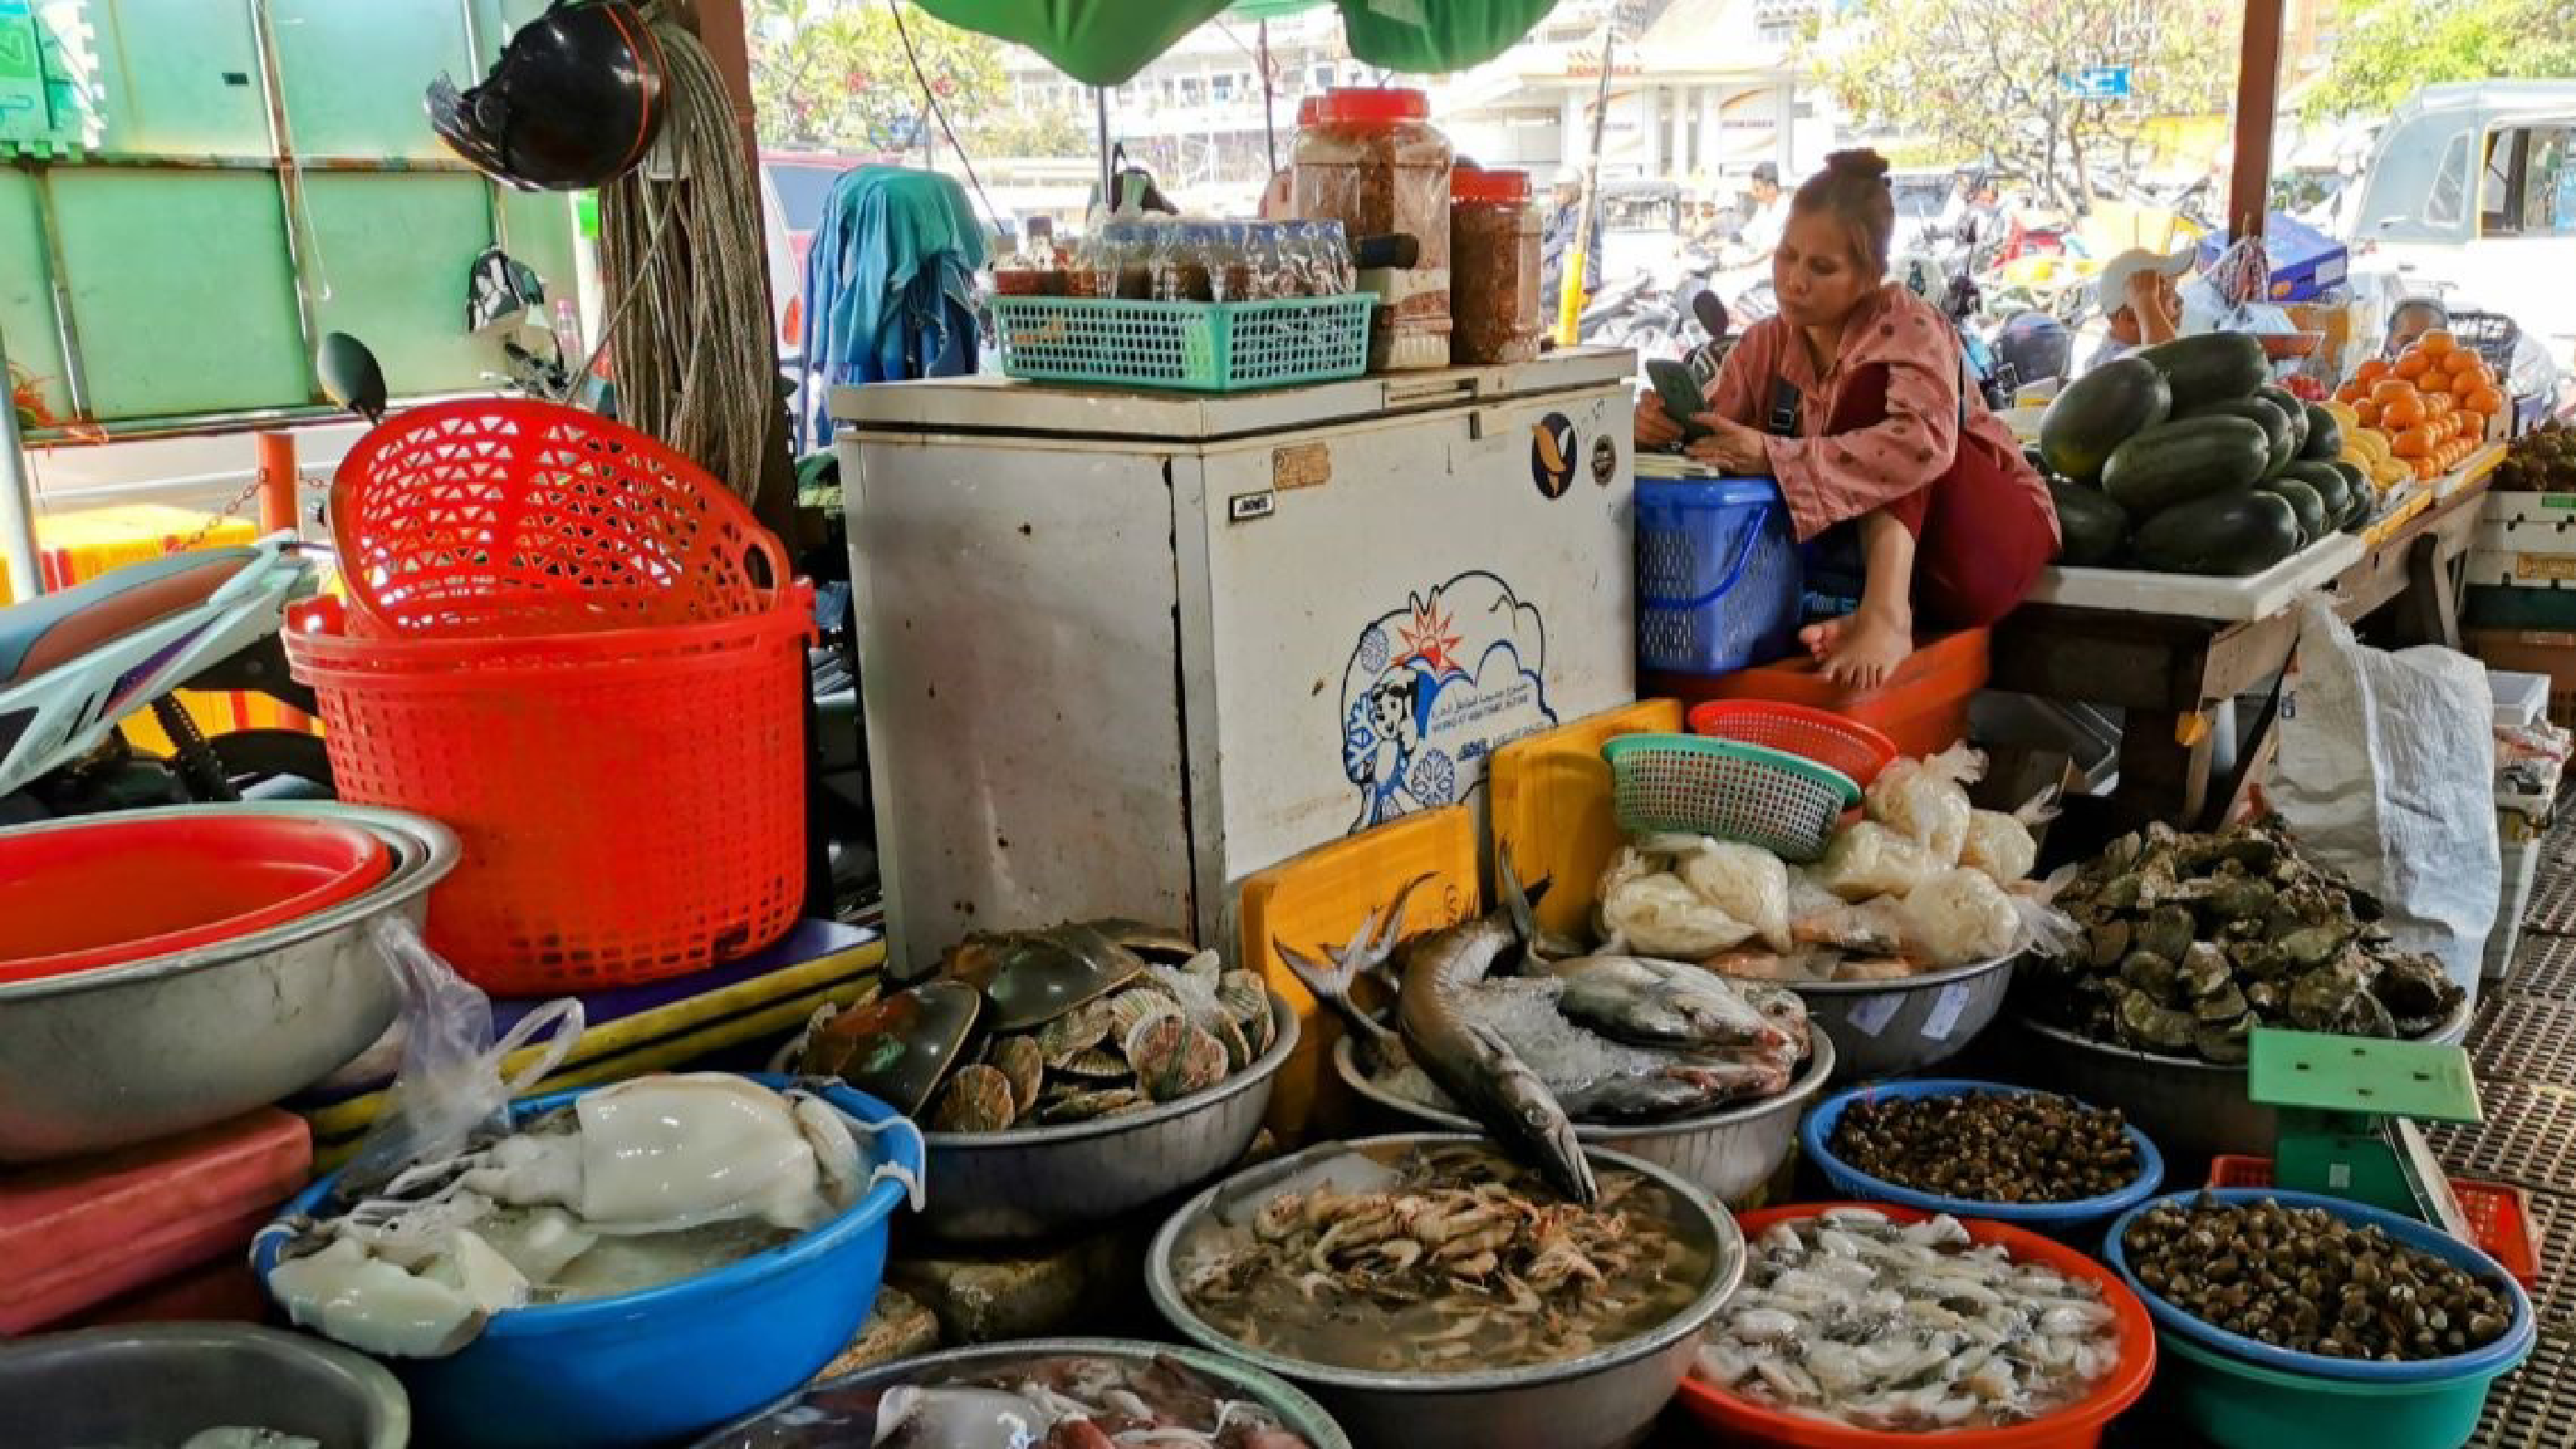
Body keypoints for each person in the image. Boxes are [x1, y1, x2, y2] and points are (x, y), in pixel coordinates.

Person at [1633, 150, 2060, 687]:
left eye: (1822, 267)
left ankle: (1885, 615)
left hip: (1987, 550)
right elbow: (1714, 445)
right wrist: (1659, 429)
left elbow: (1920, 446)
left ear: (1868, 275)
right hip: (1857, 578)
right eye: (1787, 256)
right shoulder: (1764, 345)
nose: (1794, 281)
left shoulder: (1907, 325)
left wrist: (1771, 454)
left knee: (1868, 399)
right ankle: (1871, 611)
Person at [2084, 245, 2193, 372]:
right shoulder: (2116, 371)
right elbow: (2176, 371)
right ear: (2130, 319)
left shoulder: (2136, 347)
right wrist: (2145, 298)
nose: (2179, 301)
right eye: (2168, 292)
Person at [1736, 161, 1789, 258]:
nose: (1753, 194)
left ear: (1771, 188)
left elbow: (1776, 250)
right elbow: (1748, 234)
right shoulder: (1763, 208)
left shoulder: (1788, 212)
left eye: (1757, 189)